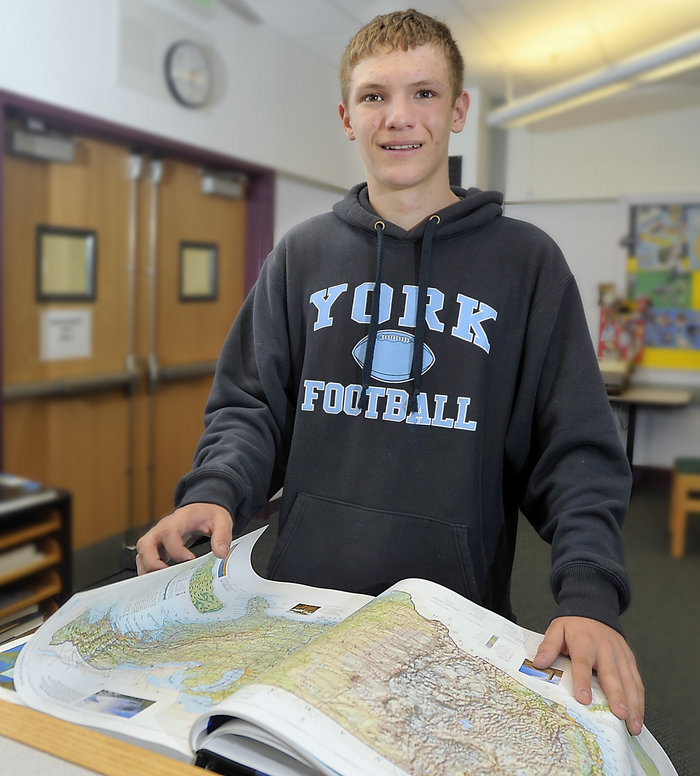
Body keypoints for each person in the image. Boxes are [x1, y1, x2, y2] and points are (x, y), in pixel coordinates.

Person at [136, 9, 644, 735]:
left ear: (459, 109)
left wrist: (588, 595)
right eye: (375, 96)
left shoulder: (527, 264)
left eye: (424, 94)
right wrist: (217, 490)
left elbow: (577, 454)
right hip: (298, 608)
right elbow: (251, 407)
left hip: (451, 620)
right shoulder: (300, 256)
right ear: (347, 116)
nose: (398, 118)